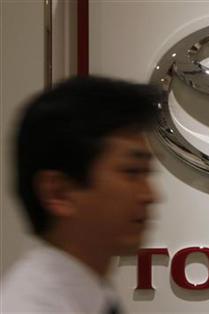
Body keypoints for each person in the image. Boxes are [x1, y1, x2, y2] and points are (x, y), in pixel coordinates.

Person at [1, 76, 162, 313]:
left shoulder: (93, 297)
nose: (150, 195)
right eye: (132, 172)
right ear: (58, 193)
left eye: (147, 174)